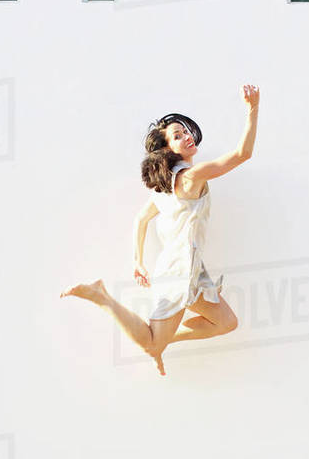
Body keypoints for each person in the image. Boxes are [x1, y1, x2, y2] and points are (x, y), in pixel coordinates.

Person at [60, 84, 261, 375]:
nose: (187, 136)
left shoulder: (165, 189)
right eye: (177, 136)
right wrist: (253, 107)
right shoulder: (192, 177)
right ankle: (100, 295)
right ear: (168, 150)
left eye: (186, 131)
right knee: (151, 345)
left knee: (226, 322)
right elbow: (243, 154)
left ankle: (163, 339)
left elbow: (141, 220)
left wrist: (137, 261)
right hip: (179, 272)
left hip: (191, 271)